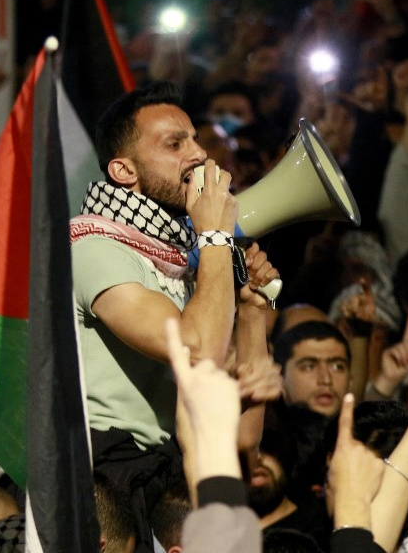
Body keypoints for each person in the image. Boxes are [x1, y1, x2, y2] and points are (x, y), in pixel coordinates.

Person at [70, 80, 277, 551]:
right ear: (123, 170)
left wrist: (250, 315)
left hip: (169, 483)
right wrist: (216, 239)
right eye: (175, 143)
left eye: (196, 139)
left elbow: (243, 442)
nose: (199, 155)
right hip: (107, 485)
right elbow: (196, 349)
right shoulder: (91, 246)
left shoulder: (184, 267)